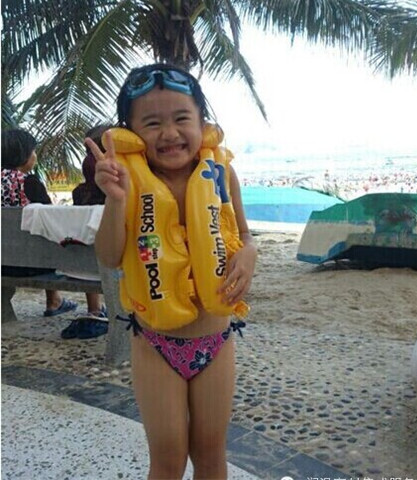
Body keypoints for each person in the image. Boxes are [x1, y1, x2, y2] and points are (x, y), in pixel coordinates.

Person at [86, 63, 257, 480]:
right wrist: (114, 200)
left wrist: (250, 254)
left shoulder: (221, 172)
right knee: (167, 458)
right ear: (130, 132)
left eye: (182, 118)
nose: (169, 133)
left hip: (216, 339)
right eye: (152, 123)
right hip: (155, 344)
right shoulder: (127, 181)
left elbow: (244, 235)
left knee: (211, 454)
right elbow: (109, 256)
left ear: (202, 121)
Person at [1, 128, 78, 317]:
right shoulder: (29, 182)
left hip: (3, 262)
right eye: (33, 151)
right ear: (23, 155)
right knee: (45, 236)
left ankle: (54, 300)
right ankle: (54, 301)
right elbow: (51, 217)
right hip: (32, 265)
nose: (35, 156)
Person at [60, 124, 109, 340]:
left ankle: (94, 309)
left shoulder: (79, 193)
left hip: (79, 269)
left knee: (88, 249)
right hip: (113, 269)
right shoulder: (122, 193)